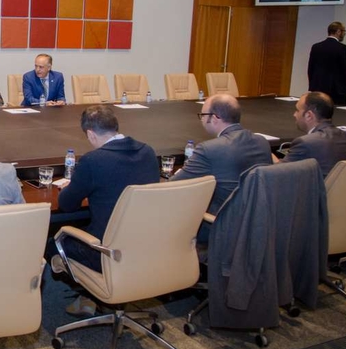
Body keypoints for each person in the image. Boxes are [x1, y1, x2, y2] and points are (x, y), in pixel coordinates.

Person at [57, 106, 159, 273]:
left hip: (104, 250)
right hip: (144, 243)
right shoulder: (147, 151)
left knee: (53, 244)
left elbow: (67, 205)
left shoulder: (93, 160)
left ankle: (77, 294)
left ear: (90, 134)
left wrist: (72, 186)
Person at [171, 94, 272, 240]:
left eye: (203, 115)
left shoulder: (209, 149)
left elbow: (174, 185)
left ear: (215, 117)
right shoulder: (261, 142)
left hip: (220, 225)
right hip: (257, 223)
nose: (202, 120)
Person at [273, 91, 346, 178]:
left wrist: (269, 155)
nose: (294, 114)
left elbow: (277, 173)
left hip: (316, 191)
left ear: (309, 115)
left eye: (297, 110)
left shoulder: (305, 143)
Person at [308, 21, 346, 106]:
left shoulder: (316, 47)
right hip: (336, 90)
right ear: (338, 31)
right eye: (343, 31)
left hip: (317, 88)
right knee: (337, 115)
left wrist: (313, 85)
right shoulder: (342, 48)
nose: (344, 34)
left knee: (318, 114)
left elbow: (310, 68)